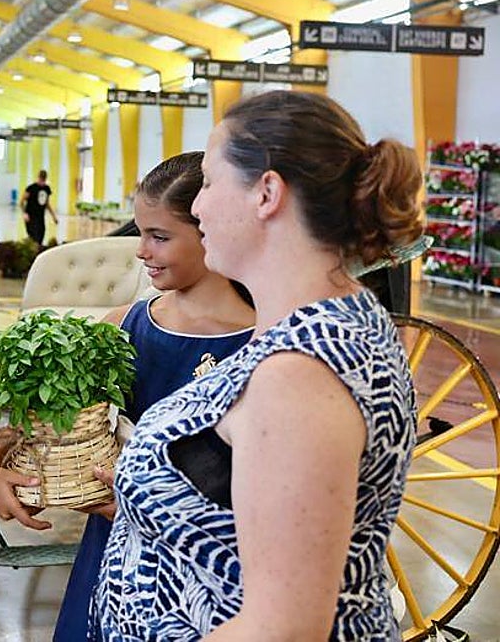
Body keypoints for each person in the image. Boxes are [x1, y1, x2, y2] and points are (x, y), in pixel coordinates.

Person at [94, 90, 422, 640]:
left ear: (267, 193)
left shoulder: (302, 373)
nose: (199, 207)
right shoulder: (320, 325)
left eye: (210, 182)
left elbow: (283, 628)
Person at [0, 151, 255, 641]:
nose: (141, 251)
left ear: (213, 230)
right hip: (109, 560)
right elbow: (46, 433)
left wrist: (152, 507)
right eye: (140, 232)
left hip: (213, 579)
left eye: (159, 236)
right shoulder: (122, 328)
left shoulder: (265, 344)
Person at [23, 168, 58, 246]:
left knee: (41, 236)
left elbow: (47, 204)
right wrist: (25, 213)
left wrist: (54, 217)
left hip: (40, 217)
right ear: (38, 177)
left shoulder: (46, 189)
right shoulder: (31, 188)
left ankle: (38, 250)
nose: (42, 181)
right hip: (30, 217)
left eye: (43, 180)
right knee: (34, 237)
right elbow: (21, 202)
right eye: (41, 179)